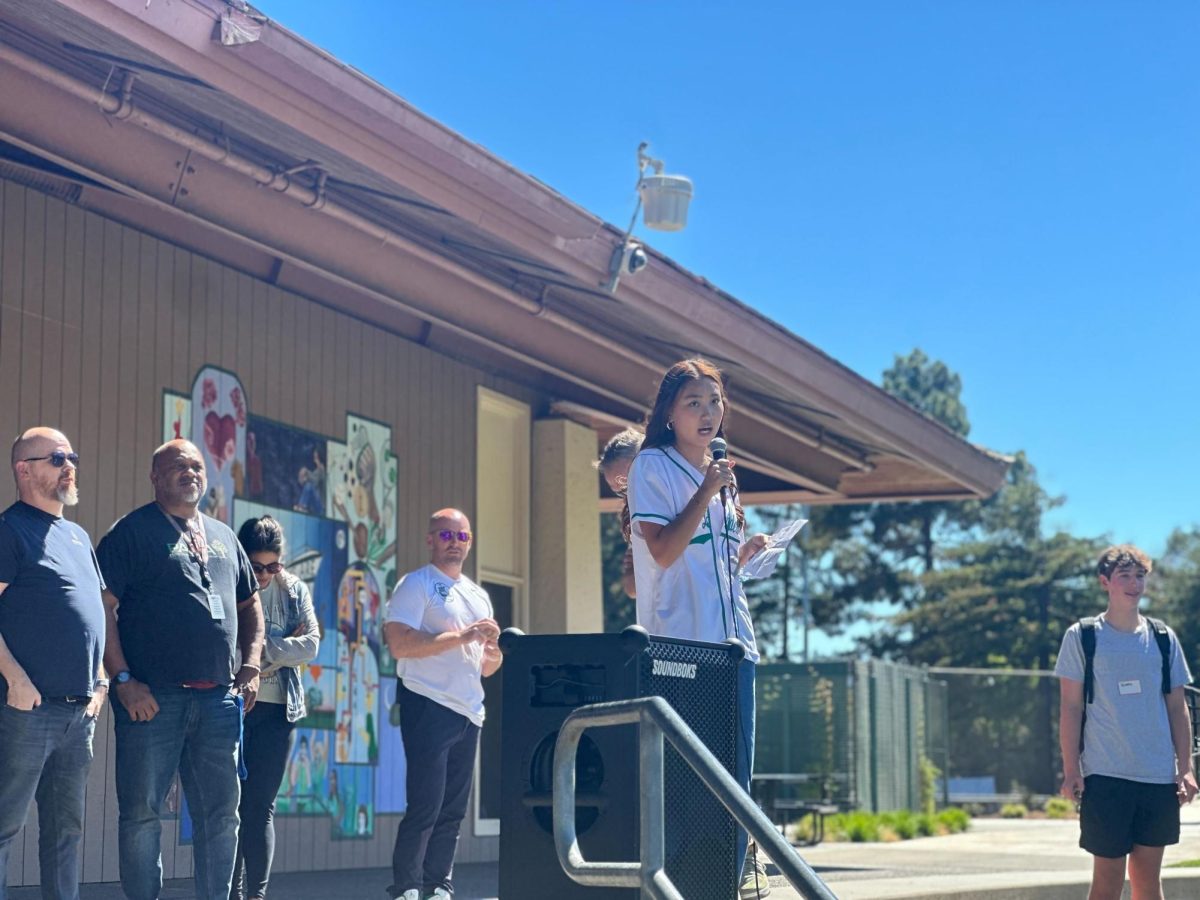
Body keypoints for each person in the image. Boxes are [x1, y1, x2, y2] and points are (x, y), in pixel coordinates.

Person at [625, 358, 770, 899]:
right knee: (686, 788)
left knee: (734, 783)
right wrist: (707, 490)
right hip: (683, 649)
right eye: (694, 403)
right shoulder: (653, 467)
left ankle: (727, 885)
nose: (708, 413)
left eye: (715, 402)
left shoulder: (721, 473)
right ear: (670, 412)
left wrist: (744, 555)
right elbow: (663, 552)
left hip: (735, 648)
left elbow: (712, 562)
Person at [97, 439, 264, 900]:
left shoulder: (224, 536)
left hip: (218, 702)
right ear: (155, 477)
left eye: (196, 466)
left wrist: (251, 665)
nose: (190, 472)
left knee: (221, 817)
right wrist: (123, 680)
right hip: (153, 701)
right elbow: (101, 607)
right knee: (142, 815)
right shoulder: (130, 533)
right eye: (177, 466)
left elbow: (251, 606)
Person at [1055, 544, 1197, 900]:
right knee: (1107, 882)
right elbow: (1070, 707)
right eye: (1125, 576)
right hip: (1105, 776)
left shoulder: (1163, 638)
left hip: (1157, 777)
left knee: (1148, 881)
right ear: (1105, 582)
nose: (1134, 584)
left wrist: (1186, 768)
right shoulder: (1082, 636)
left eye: (1140, 576)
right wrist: (1071, 769)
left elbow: (1177, 708)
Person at [0, 428, 107, 900]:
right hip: (26, 711)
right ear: (24, 469)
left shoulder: (79, 537)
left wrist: (101, 682)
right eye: (58, 458)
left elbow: (93, 614)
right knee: (4, 826)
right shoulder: (9, 530)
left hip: (78, 715)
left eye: (73, 457)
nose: (70, 466)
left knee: (66, 834)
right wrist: (15, 679)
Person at [382, 509, 502, 900]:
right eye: (446, 535)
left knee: (453, 811)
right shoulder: (416, 584)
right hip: (428, 702)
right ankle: (407, 886)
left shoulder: (479, 596)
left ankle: (438, 885)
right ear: (430, 539)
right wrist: (463, 636)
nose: (455, 543)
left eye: (462, 536)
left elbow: (487, 667)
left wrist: (494, 650)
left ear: (470, 542)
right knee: (426, 805)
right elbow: (399, 643)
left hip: (469, 710)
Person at [230, 516, 320, 900]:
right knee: (229, 806)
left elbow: (312, 645)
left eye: (274, 566)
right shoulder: (229, 581)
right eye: (257, 566)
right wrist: (283, 648)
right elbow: (227, 643)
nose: (265, 575)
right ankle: (230, 893)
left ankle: (256, 895)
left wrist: (261, 646)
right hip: (234, 706)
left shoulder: (293, 590)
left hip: (279, 711)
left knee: (260, 807)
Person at [596, 427, 643, 599]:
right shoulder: (635, 518)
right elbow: (632, 588)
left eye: (628, 486)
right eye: (619, 492)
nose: (627, 496)